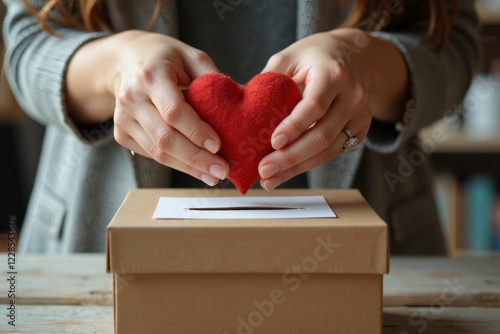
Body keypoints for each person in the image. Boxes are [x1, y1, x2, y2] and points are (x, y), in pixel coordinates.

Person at [3, 0, 479, 254]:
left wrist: (365, 64)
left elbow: (456, 47)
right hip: (93, 251)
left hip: (371, 266)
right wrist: (115, 66)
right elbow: (24, 46)